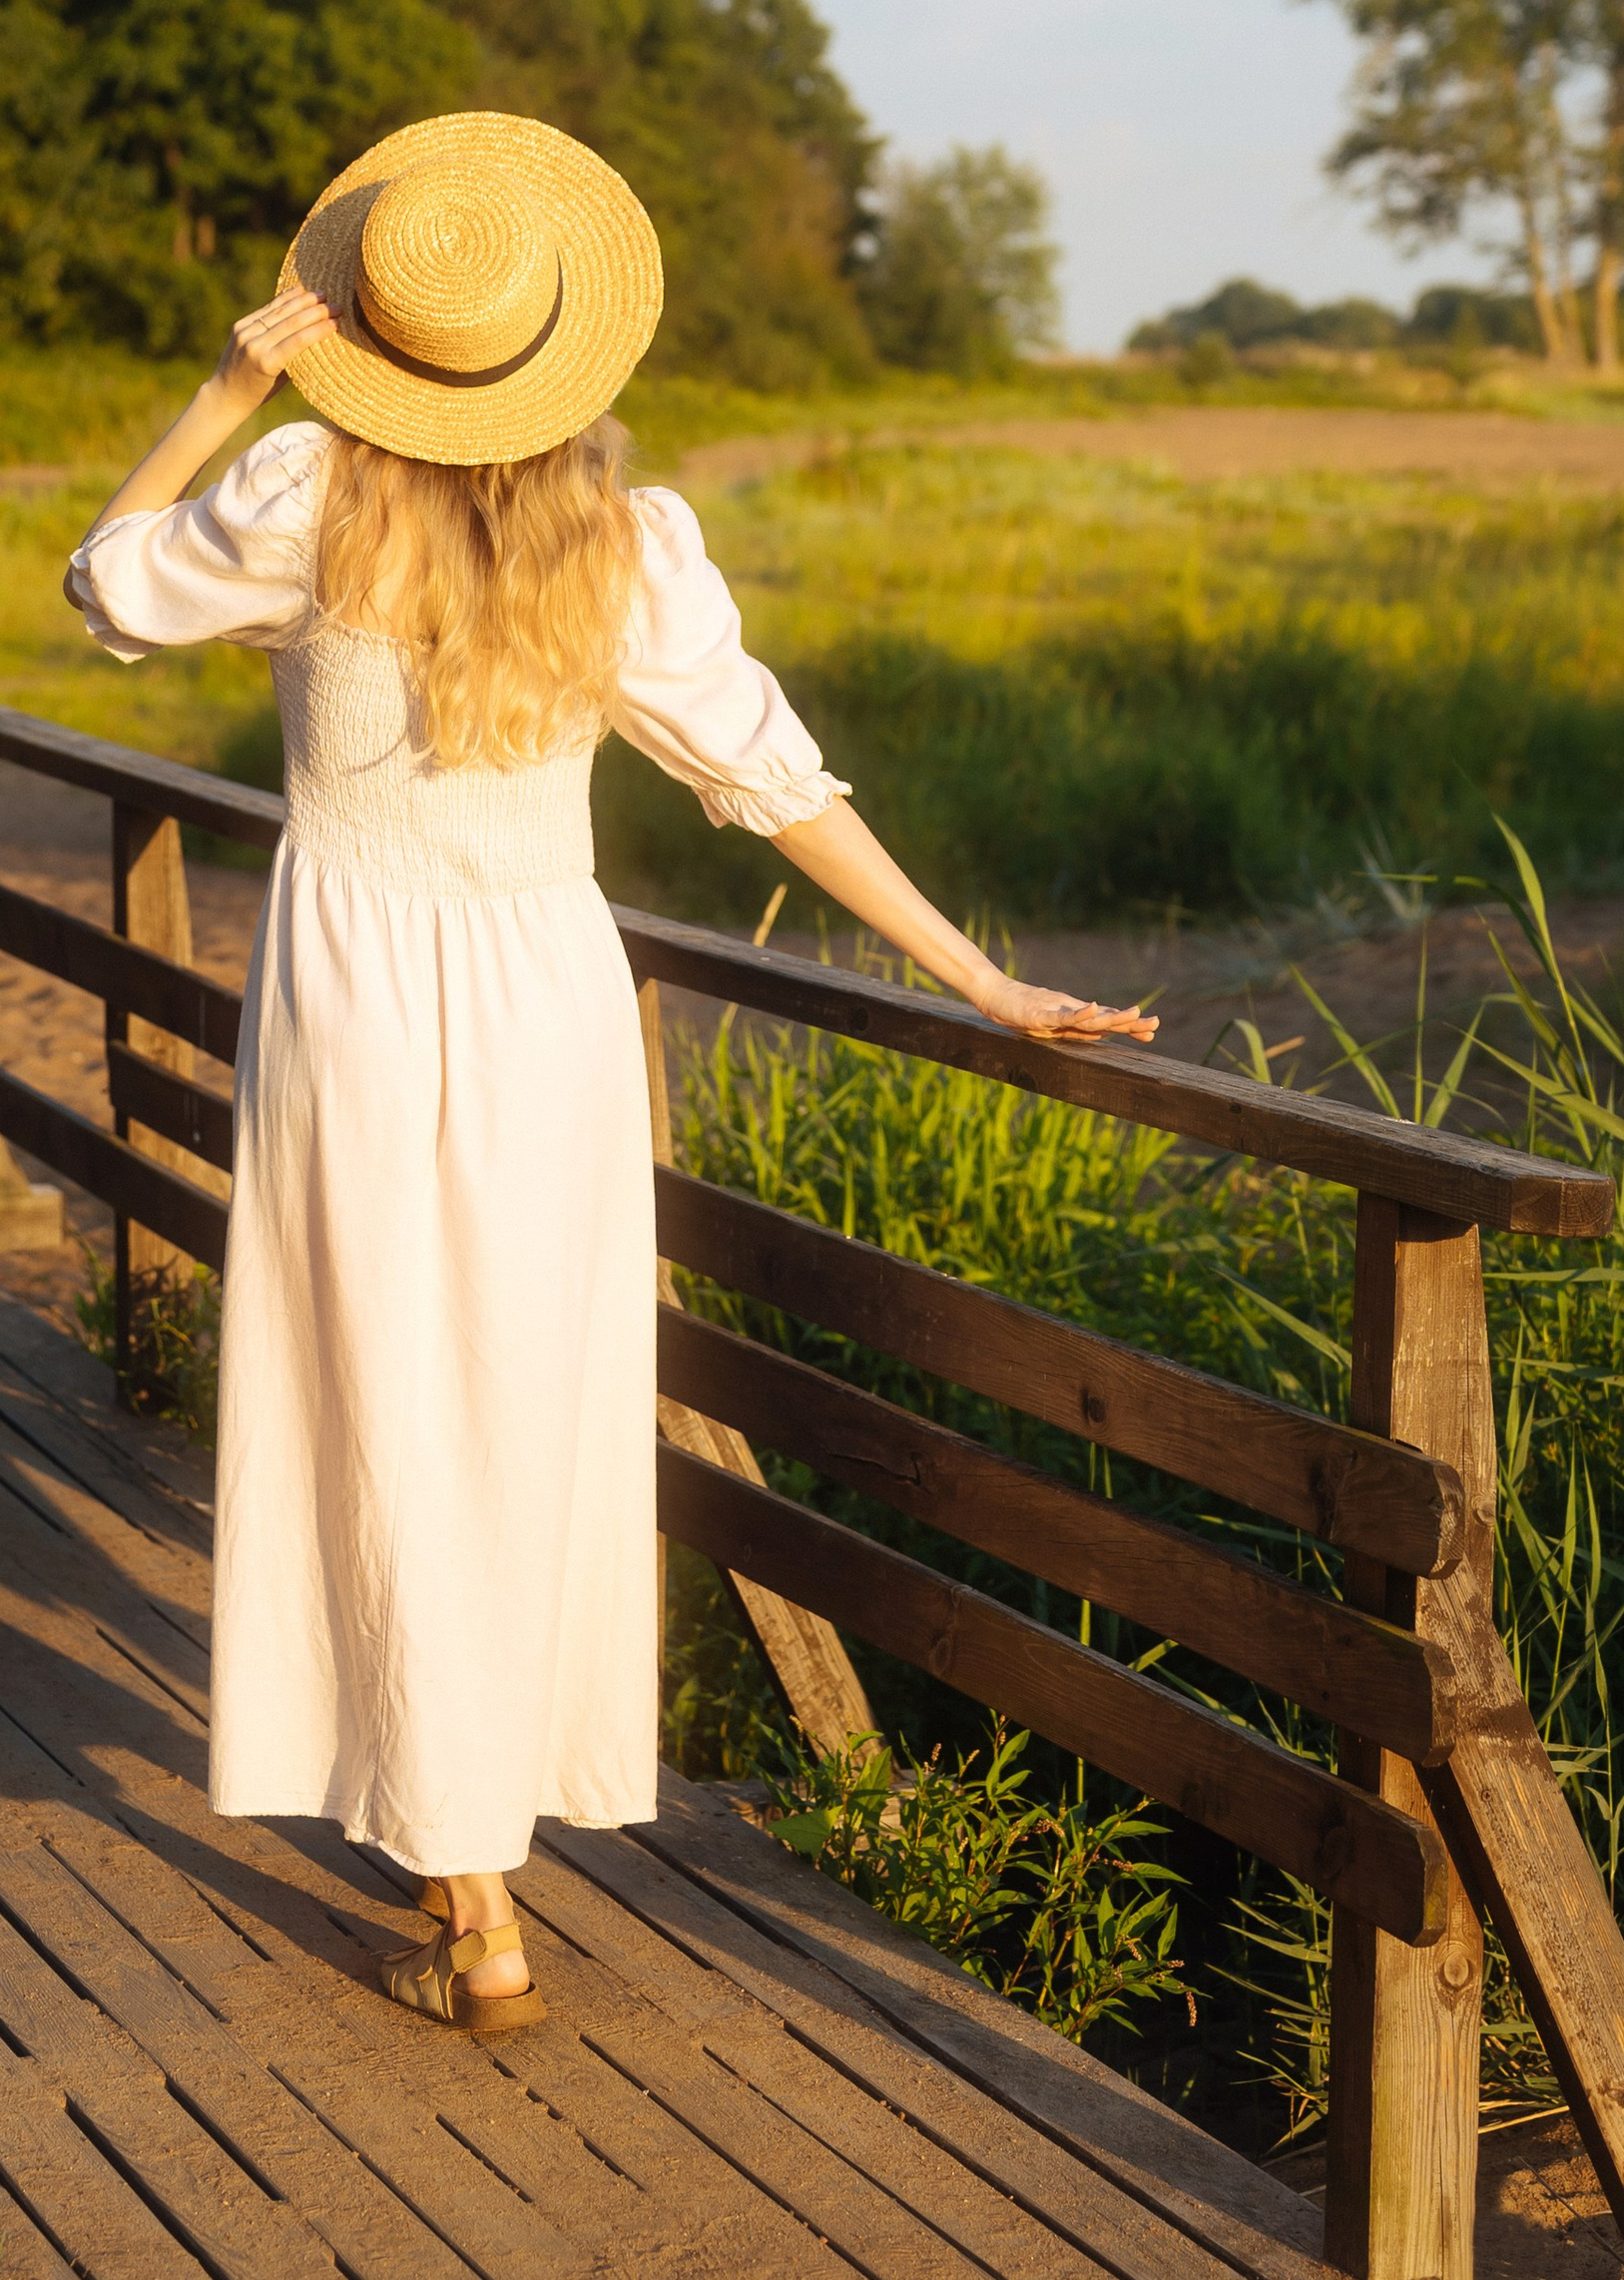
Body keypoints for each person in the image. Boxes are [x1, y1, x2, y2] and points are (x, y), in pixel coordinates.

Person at [65, 112, 1156, 2039]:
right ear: (559, 339)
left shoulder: (305, 489)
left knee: (374, 1393)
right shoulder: (625, 538)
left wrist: (229, 386)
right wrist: (980, 974)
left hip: (355, 986)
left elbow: (103, 588)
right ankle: (487, 1840)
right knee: (529, 1400)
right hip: (548, 998)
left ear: (364, 336)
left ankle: (472, 1895)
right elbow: (773, 780)